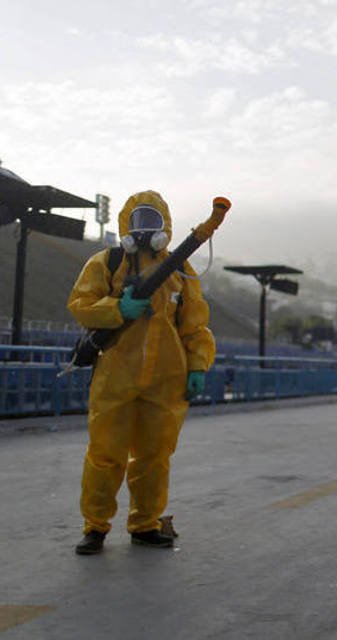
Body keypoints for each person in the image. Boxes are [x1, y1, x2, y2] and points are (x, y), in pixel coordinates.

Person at [68, 190, 216, 555]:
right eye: (140, 221)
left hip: (166, 379)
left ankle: (145, 524)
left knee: (154, 457)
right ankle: (95, 527)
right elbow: (82, 305)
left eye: (154, 221)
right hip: (115, 375)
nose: (148, 229)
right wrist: (118, 308)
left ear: (166, 225)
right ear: (126, 225)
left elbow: (195, 325)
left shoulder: (181, 270)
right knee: (105, 455)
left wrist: (197, 366)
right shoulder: (107, 262)